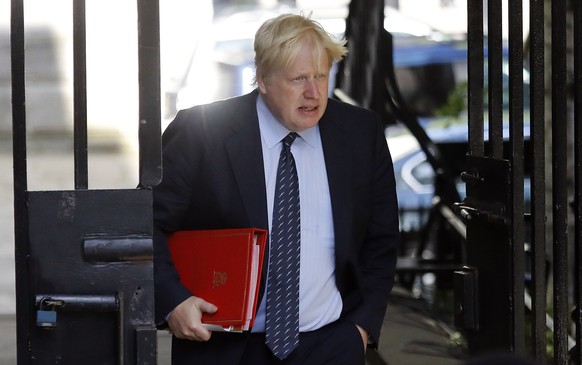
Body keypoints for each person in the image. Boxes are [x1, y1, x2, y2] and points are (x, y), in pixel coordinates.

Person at [153, 12, 400, 364]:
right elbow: (144, 224)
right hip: (224, 348)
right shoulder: (201, 132)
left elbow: (382, 238)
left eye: (320, 75)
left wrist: (360, 330)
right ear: (263, 80)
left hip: (331, 345)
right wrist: (173, 301)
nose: (313, 93)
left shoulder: (360, 132)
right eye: (298, 78)